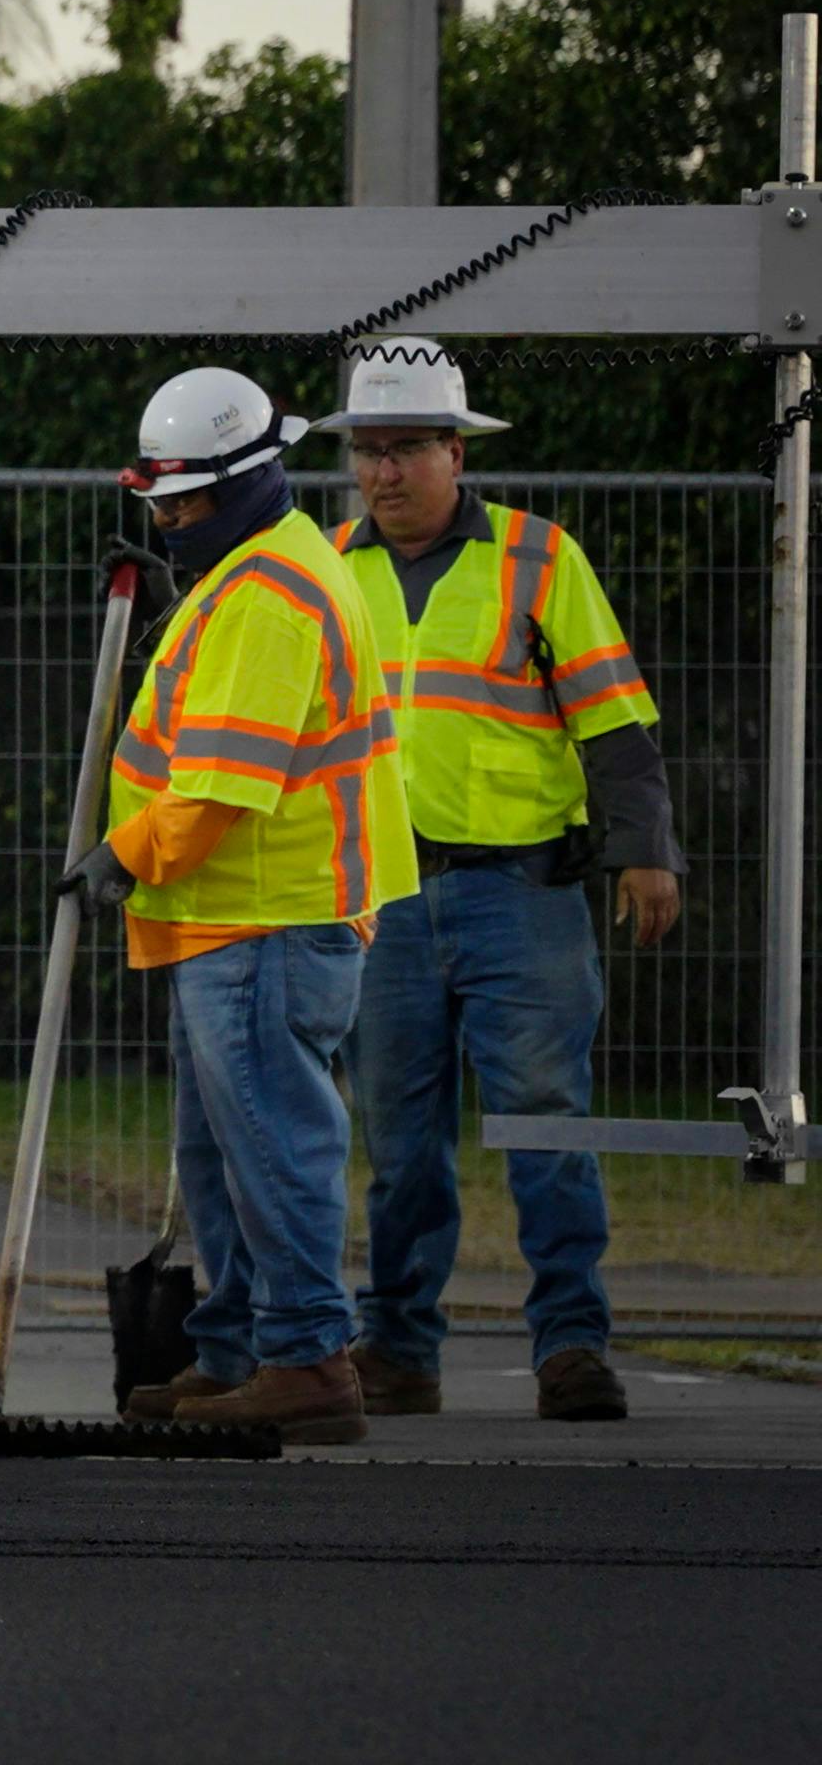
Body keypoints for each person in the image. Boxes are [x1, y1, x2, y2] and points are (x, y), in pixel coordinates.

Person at [320, 339, 676, 1423]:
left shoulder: (538, 557)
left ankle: (571, 1347)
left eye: (406, 449)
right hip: (381, 901)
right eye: (368, 451)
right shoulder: (328, 567)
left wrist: (646, 848)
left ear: (456, 453)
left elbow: (613, 718)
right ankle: (398, 1349)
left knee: (547, 1125)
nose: (384, 472)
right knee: (400, 1145)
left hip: (521, 893)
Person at [73, 368, 415, 1444]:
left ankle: (307, 1359)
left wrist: (123, 855)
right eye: (159, 504)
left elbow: (223, 784)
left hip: (266, 917)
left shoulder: (269, 593)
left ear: (244, 484)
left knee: (272, 1146)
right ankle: (232, 1351)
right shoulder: (251, 570)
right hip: (230, 918)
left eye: (184, 504)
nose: (169, 522)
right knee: (223, 1155)